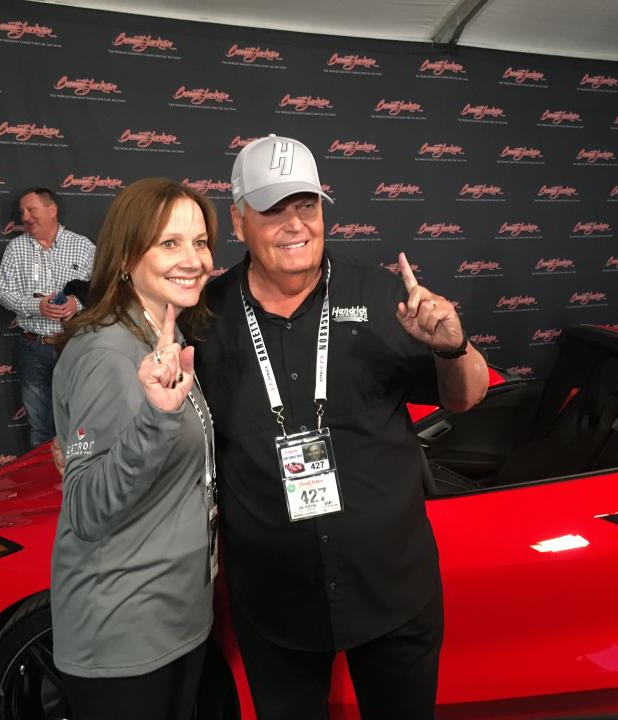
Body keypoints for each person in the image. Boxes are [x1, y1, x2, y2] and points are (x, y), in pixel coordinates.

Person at [193, 134, 489, 720]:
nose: (294, 224)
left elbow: (466, 397)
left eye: (306, 205)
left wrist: (453, 348)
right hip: (274, 600)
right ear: (238, 219)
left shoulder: (383, 296)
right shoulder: (204, 314)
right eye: (273, 209)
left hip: (392, 588)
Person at [50, 178, 218, 720]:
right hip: (125, 634)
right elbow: (86, 509)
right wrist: (156, 419)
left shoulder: (157, 337)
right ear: (125, 257)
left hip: (172, 619)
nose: (192, 259)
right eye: (170, 243)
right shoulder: (108, 351)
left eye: (200, 241)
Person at [0, 187, 94, 447]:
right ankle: (44, 486)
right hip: (33, 347)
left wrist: (77, 303)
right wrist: (37, 306)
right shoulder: (15, 249)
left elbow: (102, 290)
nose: (25, 217)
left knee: (79, 420)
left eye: (31, 210)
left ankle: (76, 483)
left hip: (74, 346)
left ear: (52, 209)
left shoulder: (83, 246)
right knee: (39, 425)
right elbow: (3, 293)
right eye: (22, 212)